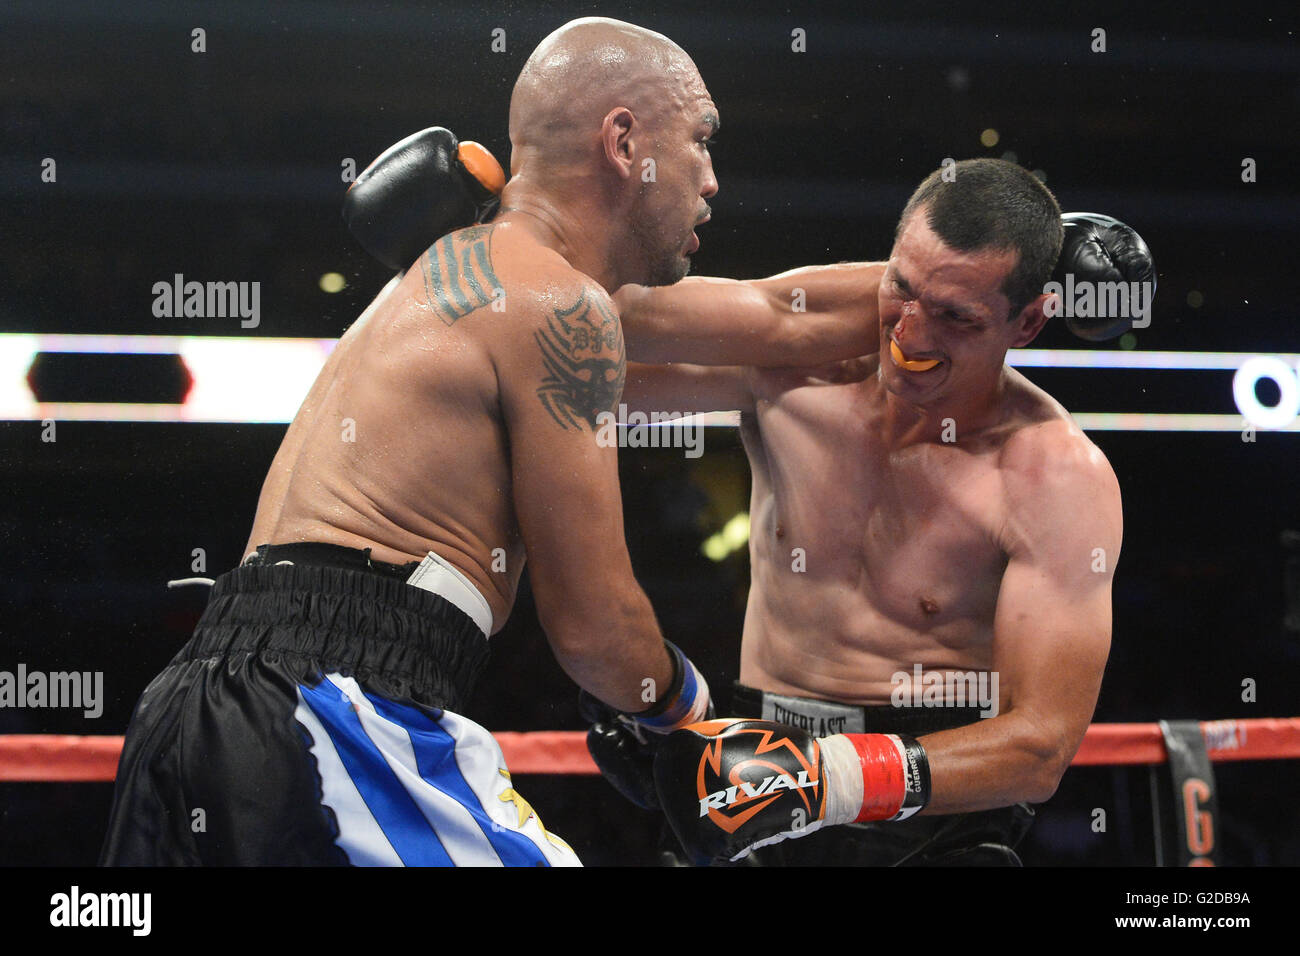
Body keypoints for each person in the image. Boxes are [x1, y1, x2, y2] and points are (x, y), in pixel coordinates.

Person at [99, 17, 718, 867]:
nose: (712, 178)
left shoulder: (441, 278)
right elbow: (593, 628)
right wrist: (689, 710)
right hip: (330, 708)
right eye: (700, 141)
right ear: (623, 142)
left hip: (195, 705)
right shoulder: (563, 306)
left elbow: (784, 321)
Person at [615, 159, 1139, 865]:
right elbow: (575, 367)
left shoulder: (1054, 476)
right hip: (756, 761)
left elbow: (1039, 748)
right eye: (902, 288)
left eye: (957, 317)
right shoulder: (789, 373)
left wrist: (825, 777)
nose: (911, 338)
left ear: (1030, 320)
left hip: (935, 803)